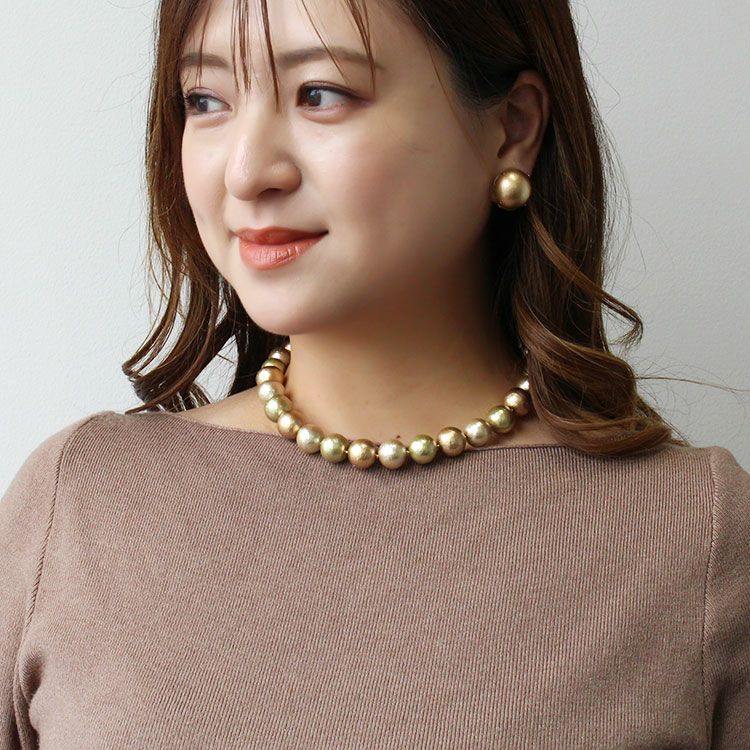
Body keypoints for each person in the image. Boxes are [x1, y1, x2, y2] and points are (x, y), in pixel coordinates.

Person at [1, 0, 748, 746]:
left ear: (513, 128)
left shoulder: (696, 531)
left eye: (321, 93)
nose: (247, 171)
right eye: (205, 100)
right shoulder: (79, 504)